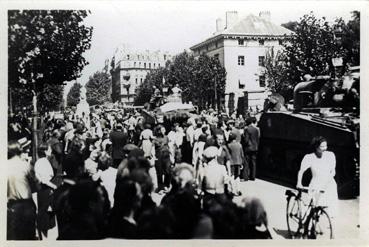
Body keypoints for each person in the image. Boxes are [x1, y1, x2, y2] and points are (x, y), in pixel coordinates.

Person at [296, 136, 338, 222]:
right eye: (322, 147)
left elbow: (333, 172)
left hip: (329, 185)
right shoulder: (309, 157)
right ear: (316, 147)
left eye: (325, 146)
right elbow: (301, 171)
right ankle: (308, 226)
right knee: (314, 208)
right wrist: (299, 183)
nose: (324, 149)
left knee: (327, 209)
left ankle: (316, 227)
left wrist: (326, 182)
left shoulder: (330, 155)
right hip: (316, 184)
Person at [7, 141, 38, 240]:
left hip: (11, 205)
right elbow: (36, 182)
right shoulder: (25, 165)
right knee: (28, 235)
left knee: (13, 236)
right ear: (19, 150)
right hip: (26, 205)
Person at [34, 143, 58, 239]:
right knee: (44, 212)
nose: (51, 151)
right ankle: (43, 236)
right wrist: (54, 187)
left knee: (48, 212)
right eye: (49, 149)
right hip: (45, 190)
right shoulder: (42, 162)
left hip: (45, 189)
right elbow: (44, 180)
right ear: (44, 151)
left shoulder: (43, 161)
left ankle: (45, 234)